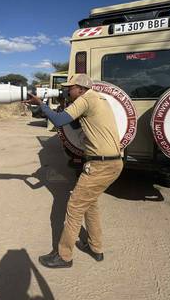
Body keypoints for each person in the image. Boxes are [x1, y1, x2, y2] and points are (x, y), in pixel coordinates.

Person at [24, 73, 123, 268]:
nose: (67, 91)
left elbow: (60, 121)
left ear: (81, 89)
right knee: (90, 204)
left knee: (75, 207)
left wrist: (41, 104)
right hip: (112, 163)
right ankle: (95, 247)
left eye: (71, 88)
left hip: (100, 165)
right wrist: (62, 104)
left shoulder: (86, 99)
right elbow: (75, 123)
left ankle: (64, 256)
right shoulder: (98, 99)